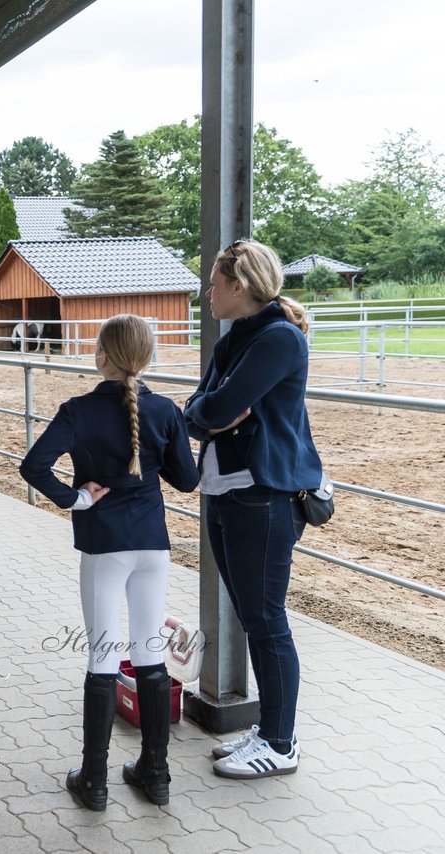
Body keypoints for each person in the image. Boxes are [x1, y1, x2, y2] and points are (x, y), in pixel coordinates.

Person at [19, 314, 200, 811]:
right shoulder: (164, 410)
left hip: (103, 545)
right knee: (148, 653)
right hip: (152, 546)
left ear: (102, 356)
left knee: (102, 656)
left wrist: (75, 499)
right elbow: (188, 482)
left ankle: (95, 779)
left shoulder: (78, 410)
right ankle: (156, 774)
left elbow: (32, 466)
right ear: (146, 357)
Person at [184, 239, 323, 780]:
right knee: (252, 616)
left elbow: (213, 406)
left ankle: (280, 743)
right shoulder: (233, 341)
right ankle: (267, 731)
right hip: (224, 491)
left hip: (263, 496)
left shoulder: (278, 339)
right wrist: (217, 413)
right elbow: (201, 414)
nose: (207, 294)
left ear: (237, 286)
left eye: (213, 285)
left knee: (266, 622)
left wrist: (217, 411)